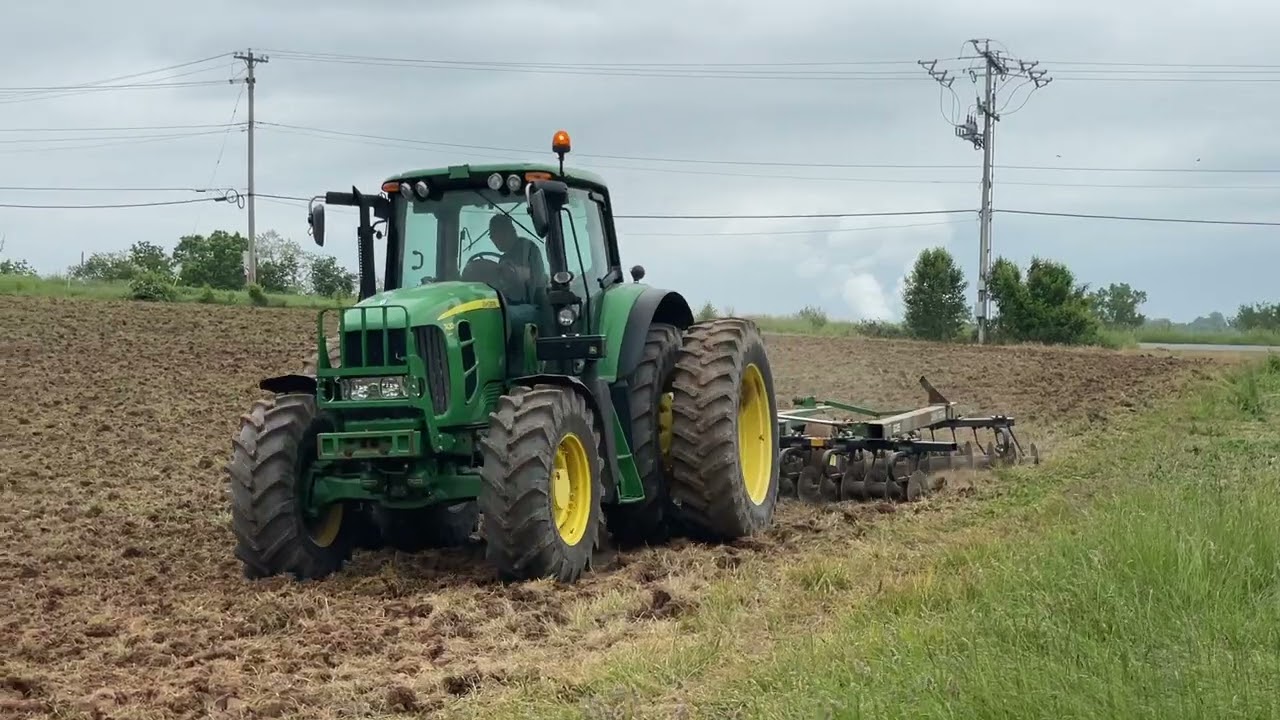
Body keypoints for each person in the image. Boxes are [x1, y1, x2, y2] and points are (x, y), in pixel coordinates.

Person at [488, 214, 546, 303]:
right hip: (510, 303)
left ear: (509, 231)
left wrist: (511, 272)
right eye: (491, 236)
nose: (494, 240)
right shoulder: (504, 258)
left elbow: (534, 278)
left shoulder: (528, 248)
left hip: (531, 303)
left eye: (495, 234)